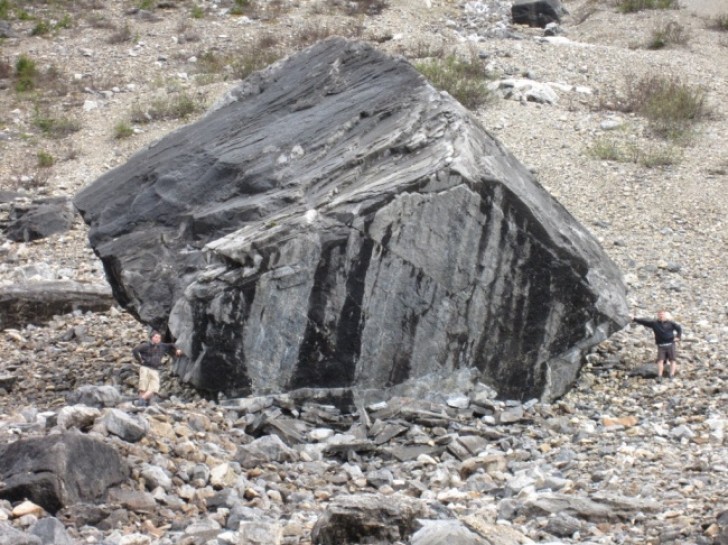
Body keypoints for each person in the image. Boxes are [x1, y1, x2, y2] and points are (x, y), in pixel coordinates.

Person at [131, 330, 182, 406]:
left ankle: (141, 400)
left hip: (155, 370)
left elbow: (171, 344)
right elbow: (135, 350)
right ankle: (142, 406)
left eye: (159, 338)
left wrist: (177, 349)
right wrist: (140, 360)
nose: (158, 339)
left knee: (154, 388)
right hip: (145, 368)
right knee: (143, 387)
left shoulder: (162, 346)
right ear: (152, 338)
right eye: (156, 337)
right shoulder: (146, 345)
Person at [632, 310, 682, 381]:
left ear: (665, 315)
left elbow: (679, 328)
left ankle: (671, 375)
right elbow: (644, 322)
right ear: (658, 315)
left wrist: (678, 337)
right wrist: (634, 319)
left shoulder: (671, 323)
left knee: (672, 360)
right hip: (661, 345)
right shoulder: (654, 323)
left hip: (671, 344)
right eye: (660, 314)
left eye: (662, 314)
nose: (661, 316)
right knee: (660, 361)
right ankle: (659, 376)